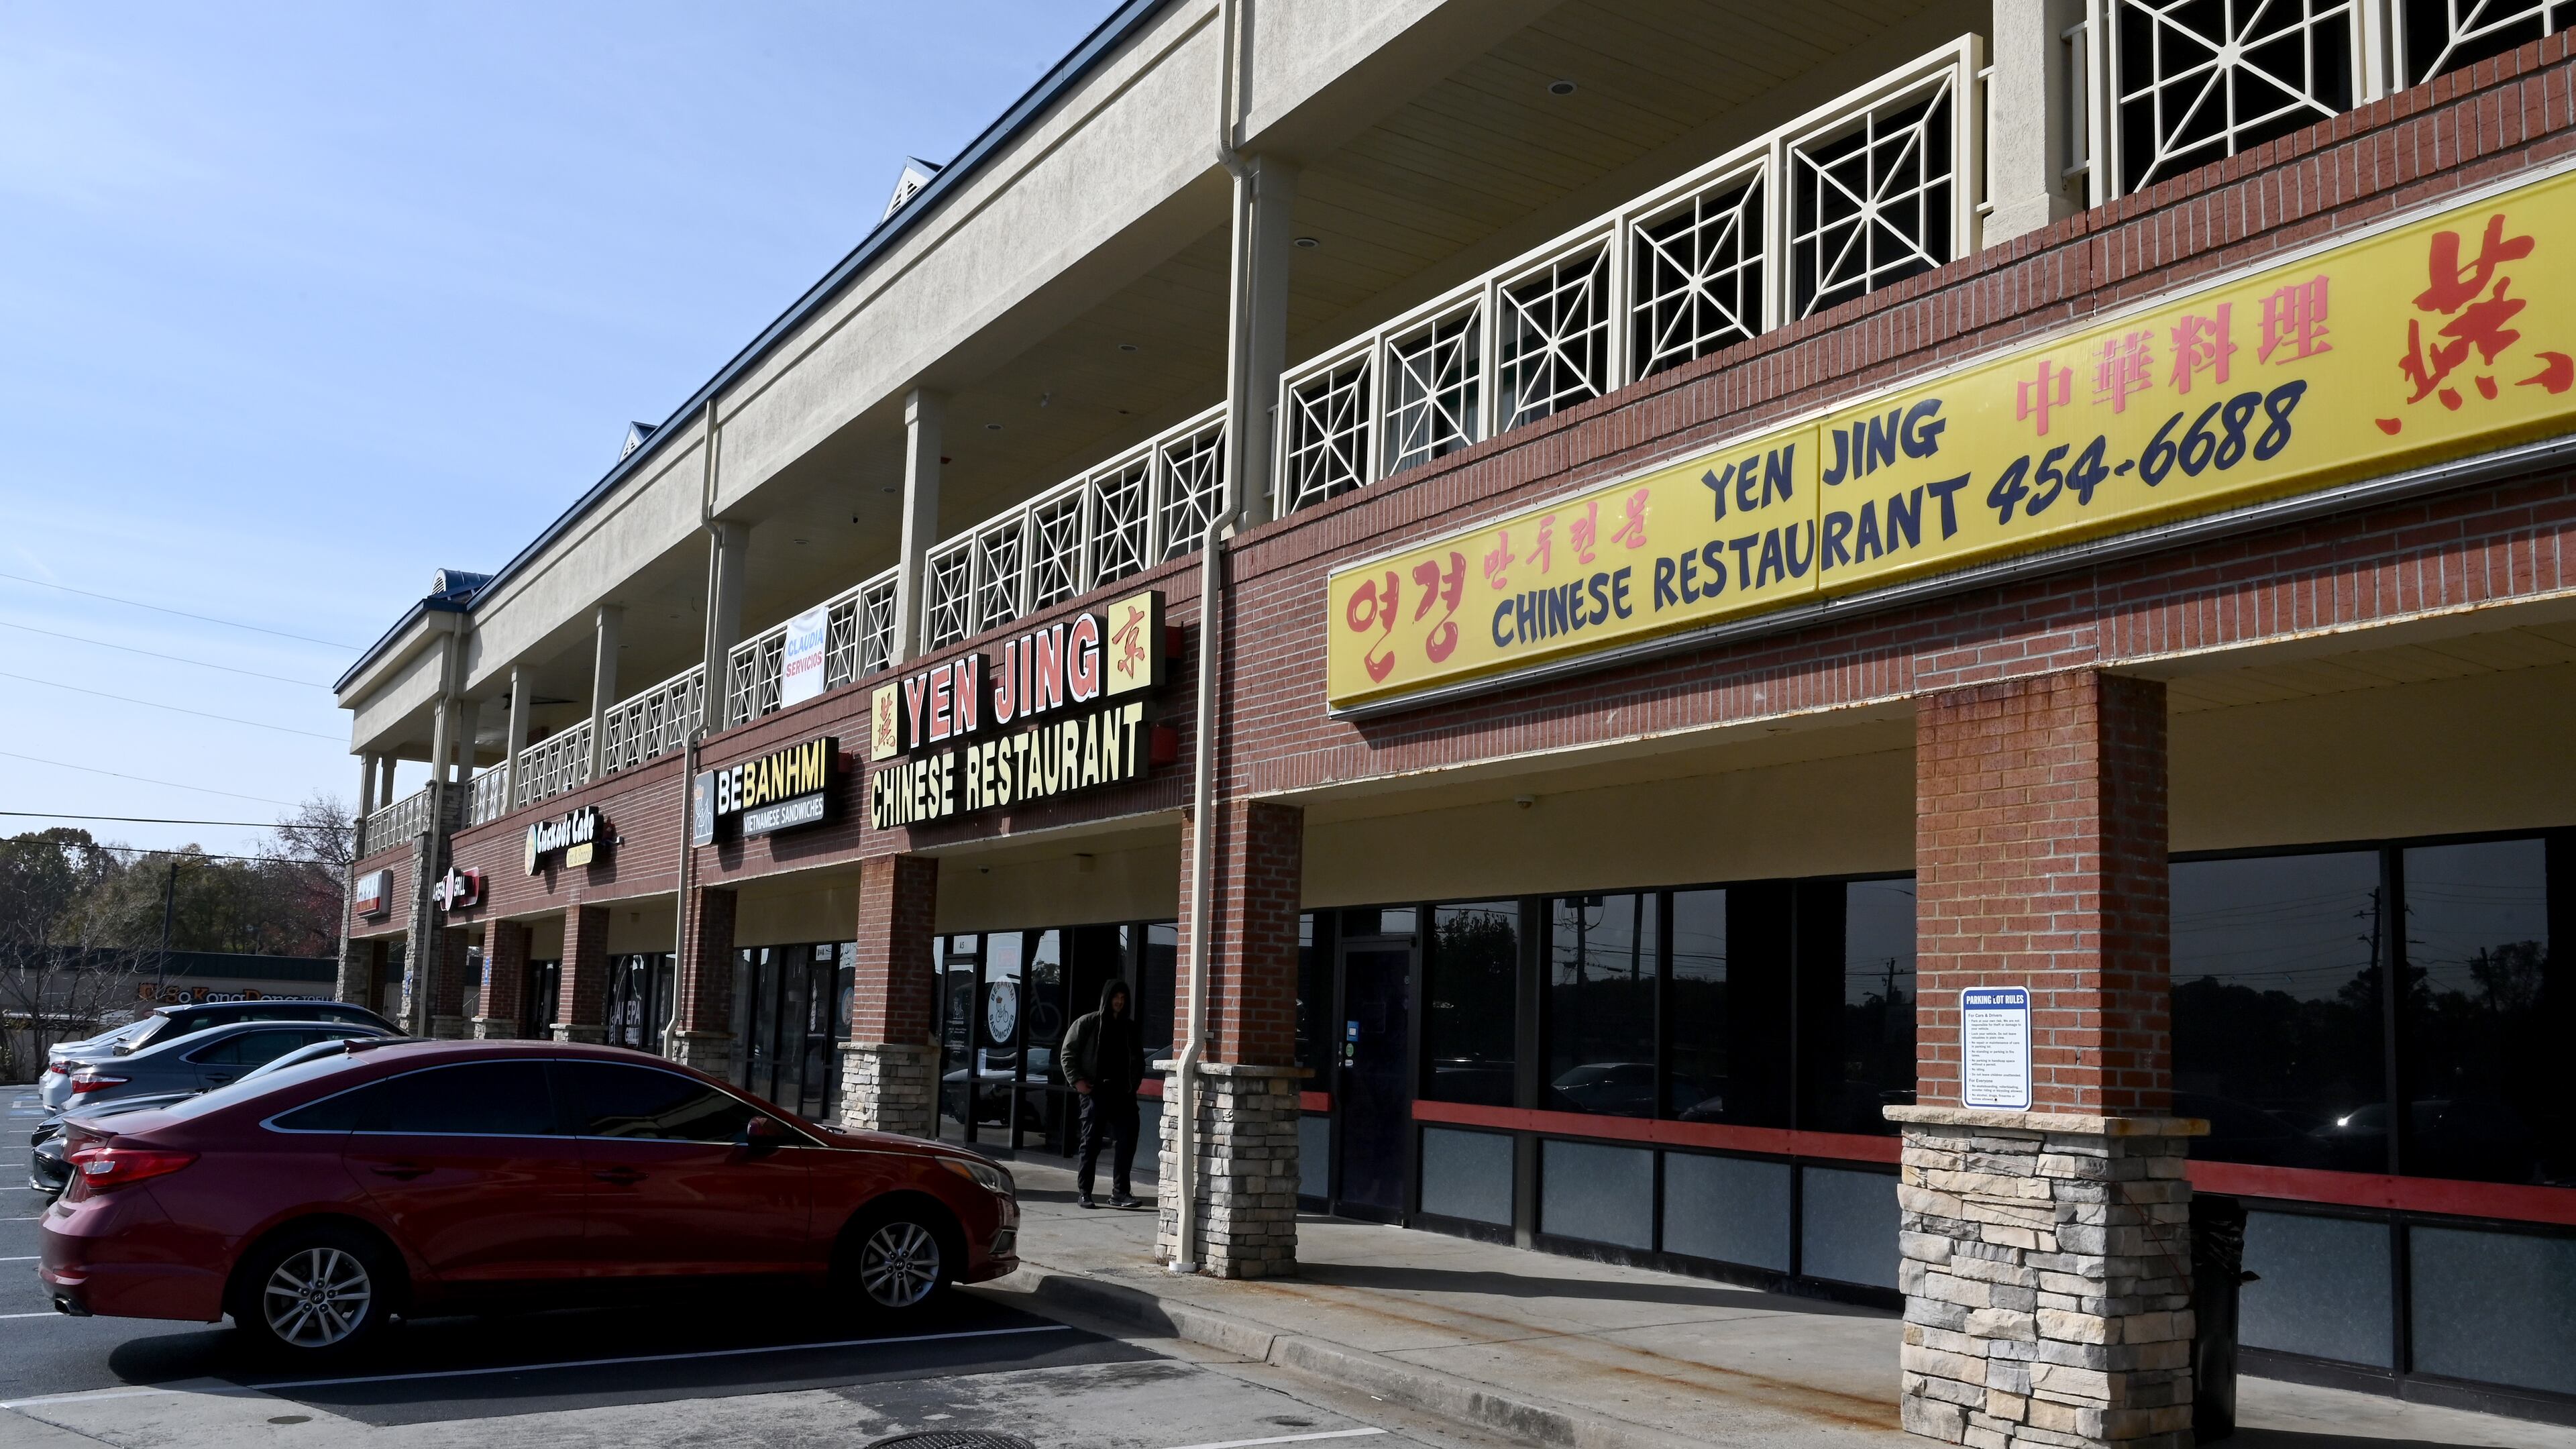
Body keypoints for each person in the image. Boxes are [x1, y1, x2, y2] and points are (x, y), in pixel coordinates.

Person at [1061, 979, 1145, 1209]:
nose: (1119, 1002)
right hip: (1095, 1092)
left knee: (1127, 1141)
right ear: (1107, 999)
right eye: (1116, 997)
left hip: (1123, 1094)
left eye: (1123, 998)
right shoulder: (1088, 1023)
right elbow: (1068, 1053)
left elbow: (1138, 1060)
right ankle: (1085, 1192)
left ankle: (1120, 1193)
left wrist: (1133, 1084)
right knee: (1091, 1143)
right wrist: (1077, 1081)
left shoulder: (1130, 1028)